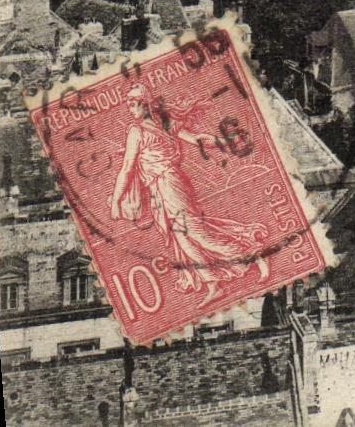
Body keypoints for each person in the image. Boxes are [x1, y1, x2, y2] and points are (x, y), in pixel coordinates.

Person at [111, 82, 268, 303]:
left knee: (196, 235)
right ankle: (213, 285)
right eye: (127, 103)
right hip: (161, 189)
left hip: (170, 185)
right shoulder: (158, 126)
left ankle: (249, 255)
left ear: (145, 104)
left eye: (132, 103)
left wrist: (116, 200)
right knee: (182, 240)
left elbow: (128, 167)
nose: (129, 108)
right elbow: (195, 140)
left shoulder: (139, 131)